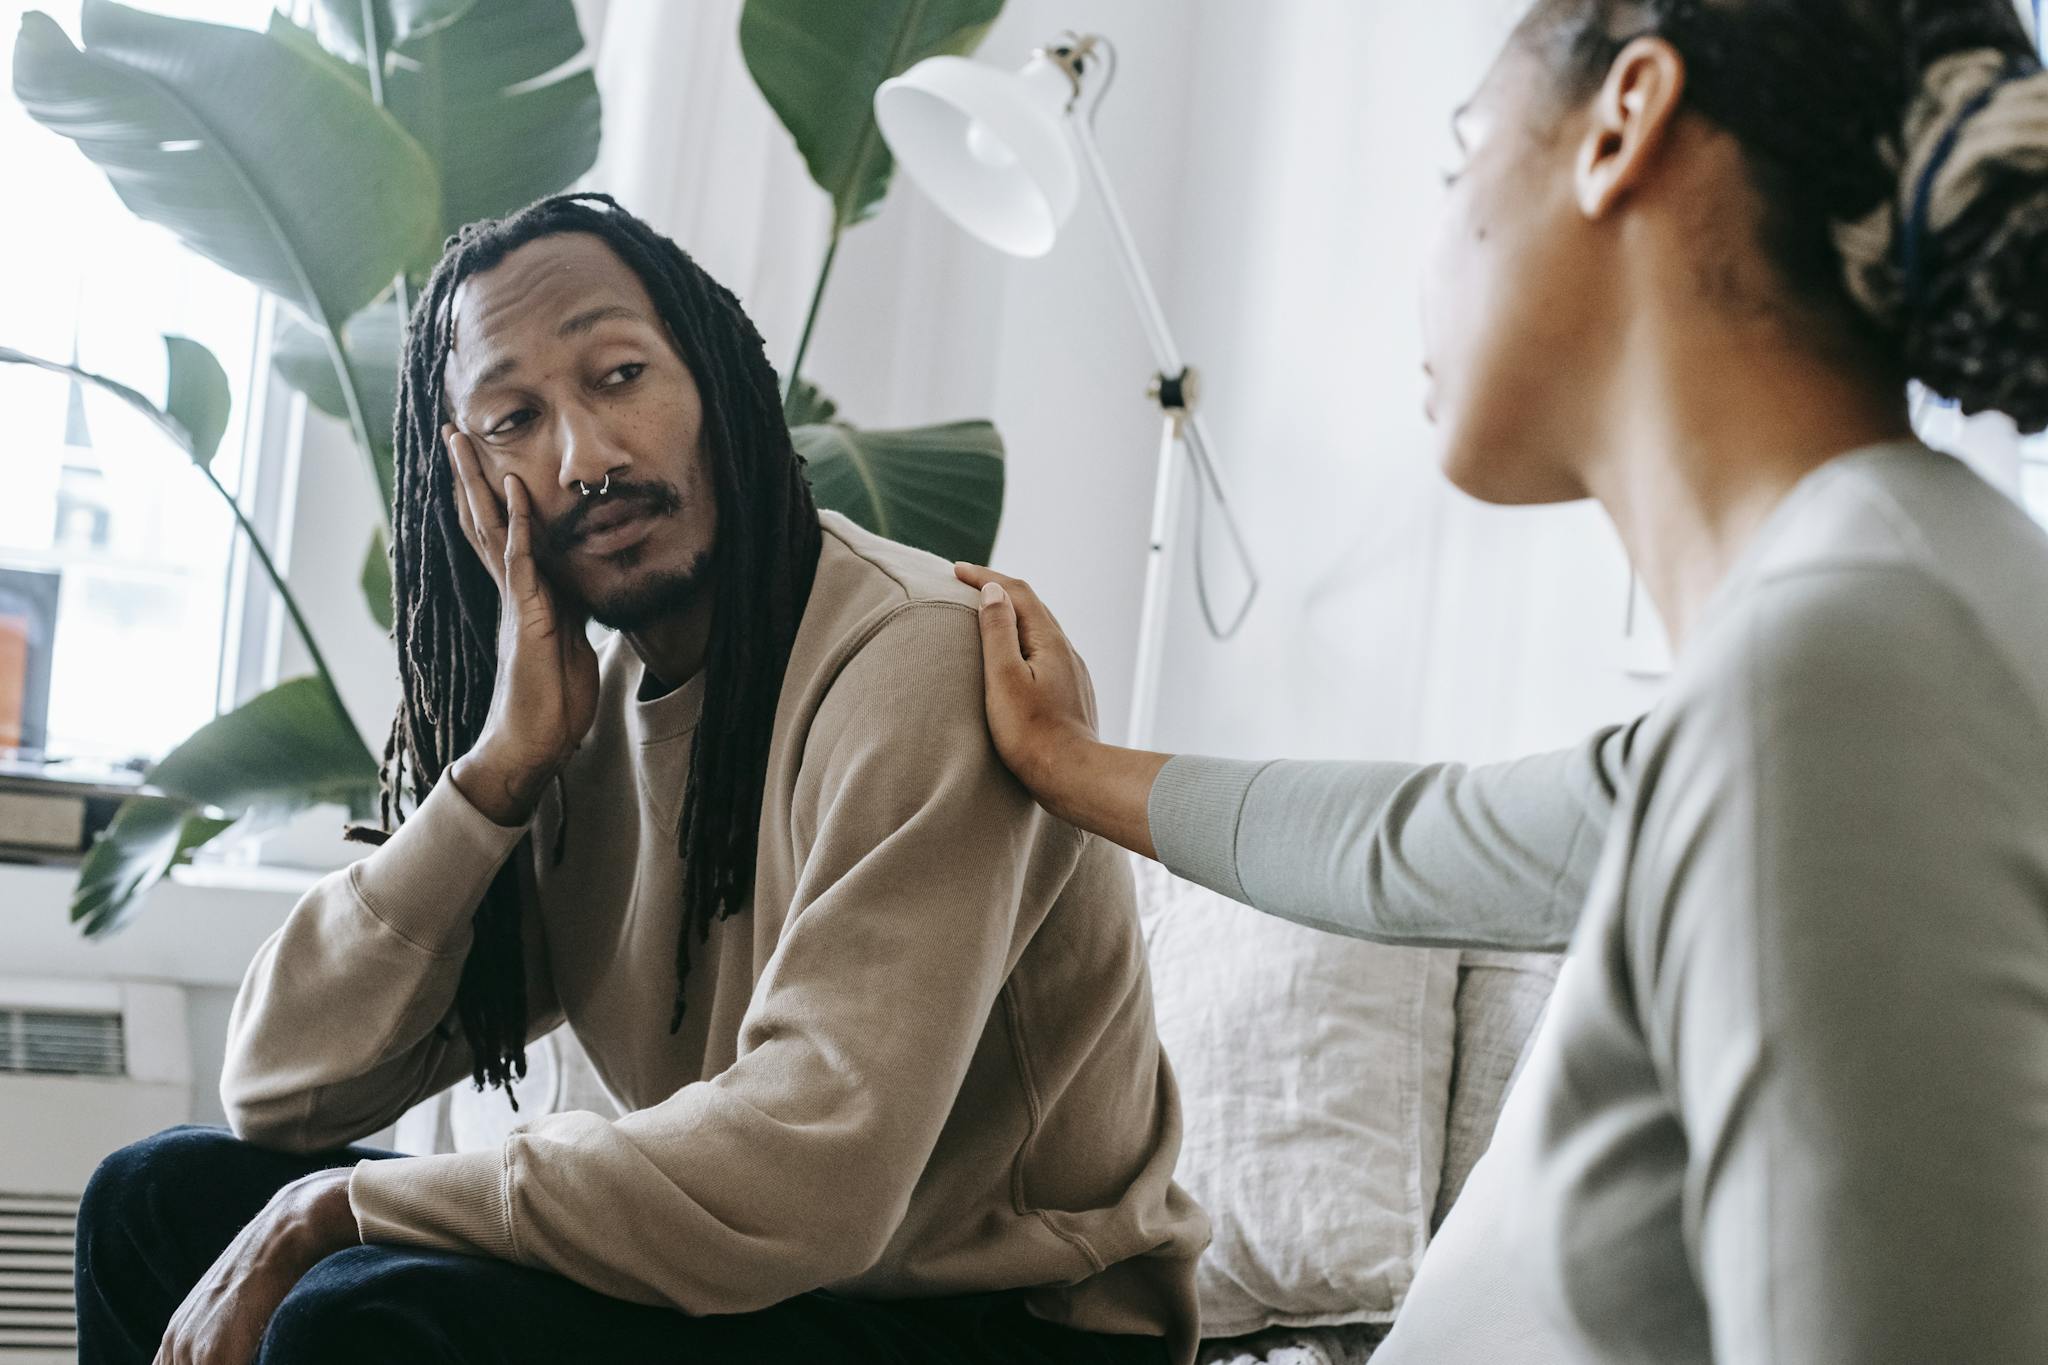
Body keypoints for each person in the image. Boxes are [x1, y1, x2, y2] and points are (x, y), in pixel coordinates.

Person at [956, 1, 2048, 1361]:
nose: (1431, 245)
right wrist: (1064, 759)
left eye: (1460, 152)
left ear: (1626, 121)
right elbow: (1410, 844)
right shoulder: (1871, 618)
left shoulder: (1842, 671)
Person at [73, 192, 1205, 1365]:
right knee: (152, 1203)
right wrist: (495, 776)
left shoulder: (914, 659)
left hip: (1007, 1329)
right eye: (514, 417)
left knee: (356, 1312)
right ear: (465, 483)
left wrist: (340, 1211)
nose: (587, 458)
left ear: (713, 380)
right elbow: (281, 1084)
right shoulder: (576, 720)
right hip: (774, 1291)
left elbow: (815, 1174)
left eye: (618, 376)